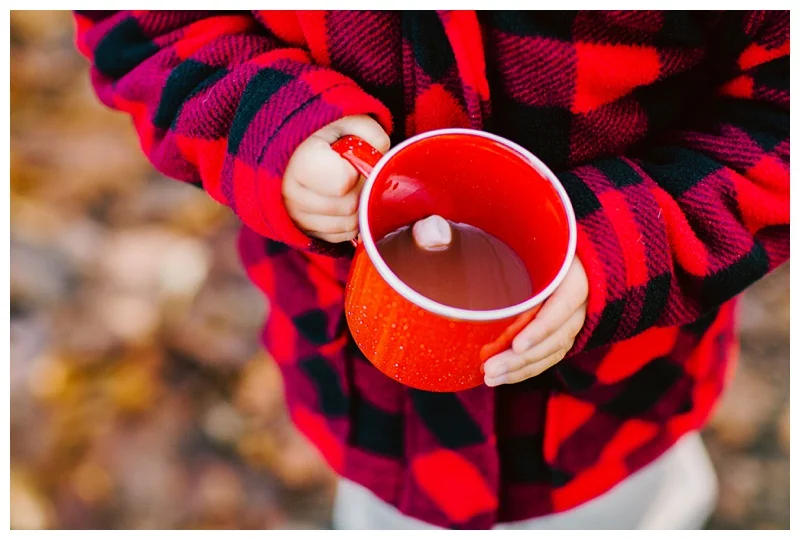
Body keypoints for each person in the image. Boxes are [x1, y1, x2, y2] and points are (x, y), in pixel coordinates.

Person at [73, 10, 789, 529]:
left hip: (609, 415)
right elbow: (145, 26)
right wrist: (264, 122)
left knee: (634, 516)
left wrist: (620, 243)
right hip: (367, 406)